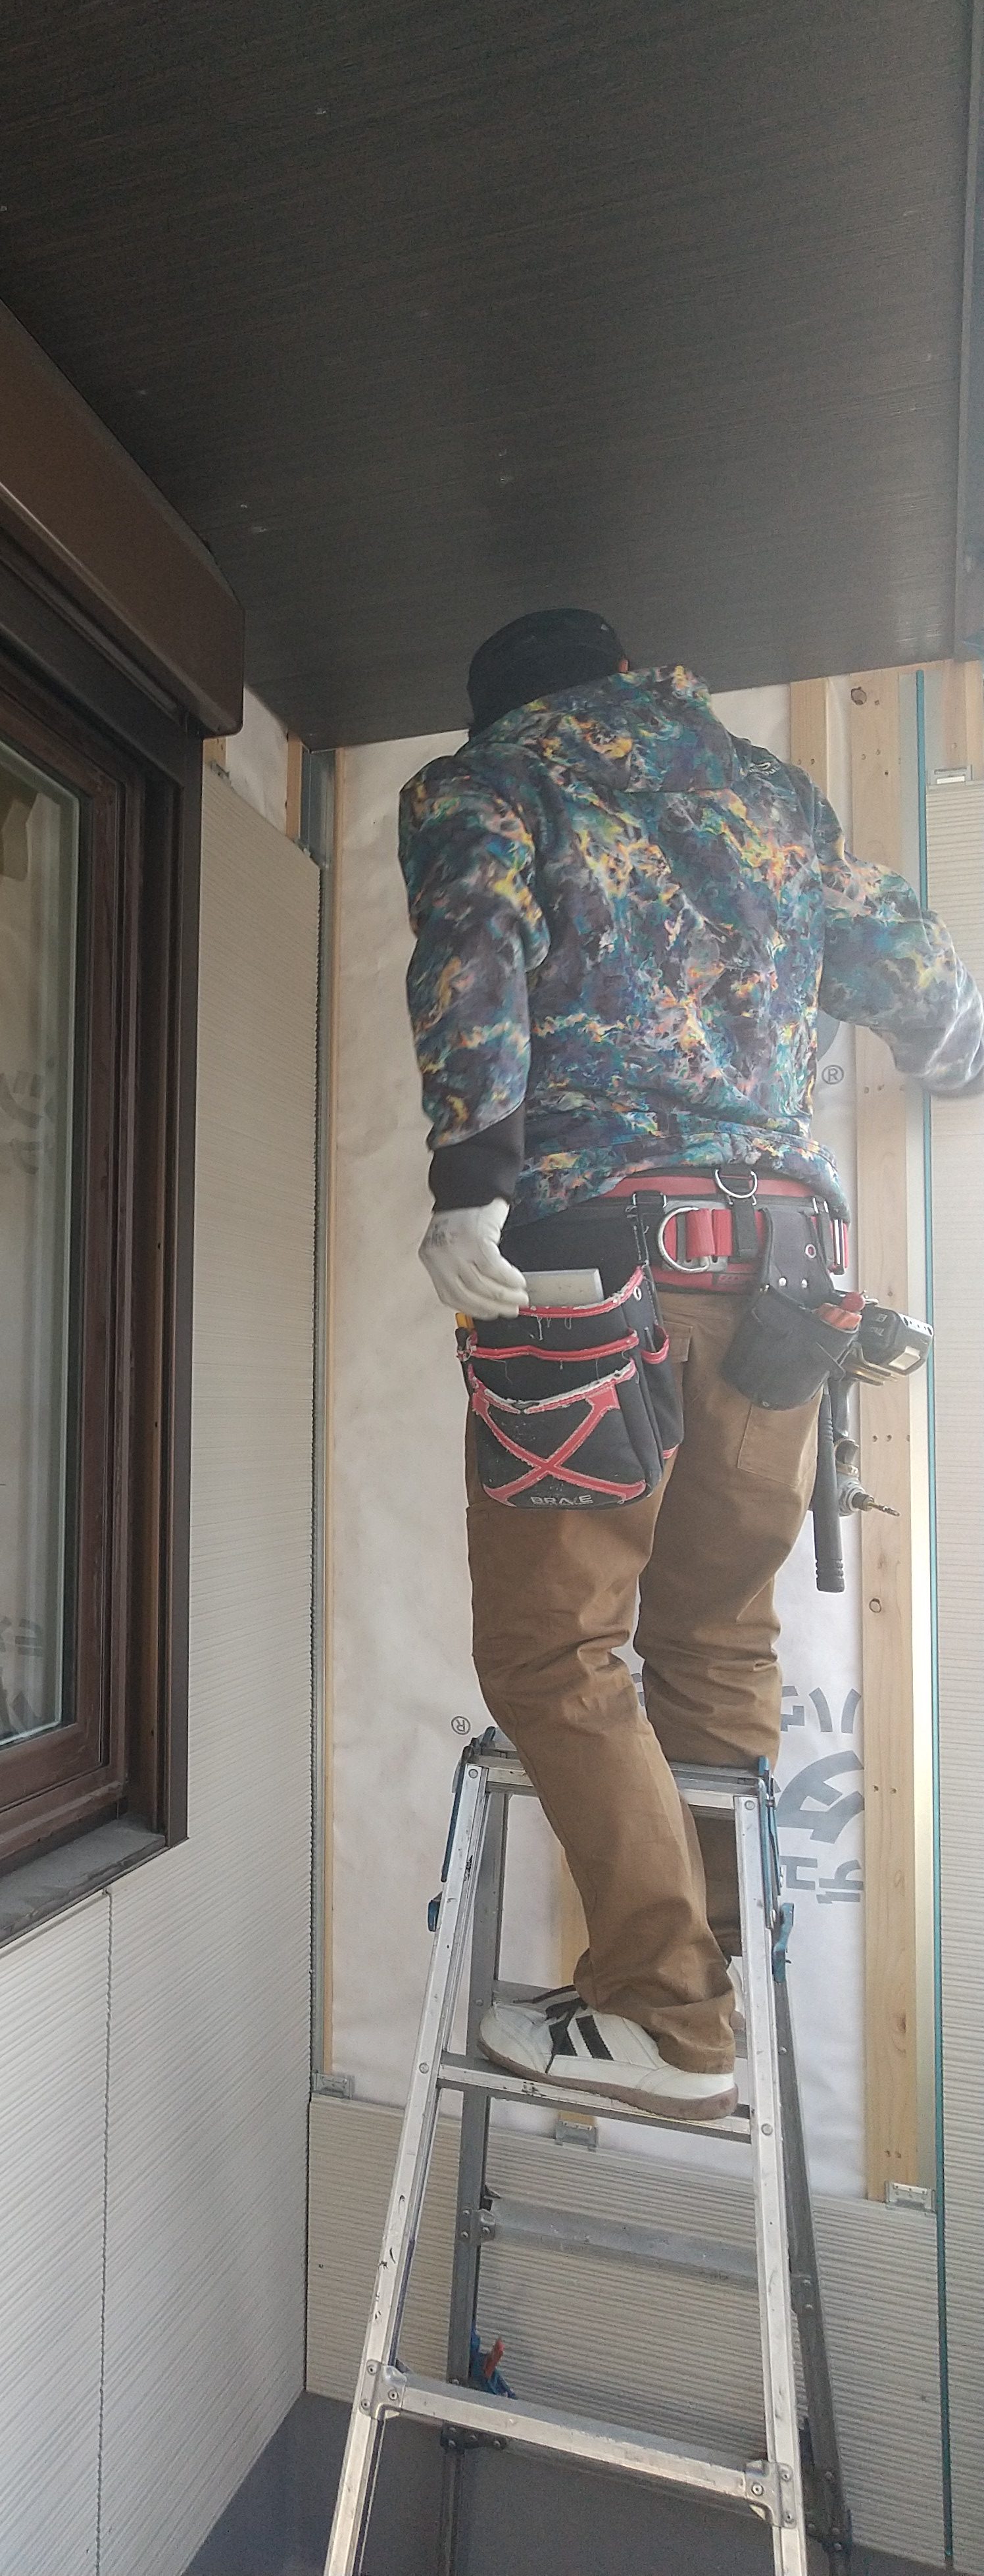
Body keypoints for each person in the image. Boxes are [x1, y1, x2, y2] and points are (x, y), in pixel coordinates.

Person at [399, 608, 984, 2119]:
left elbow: (474, 950)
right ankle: (705, 1991)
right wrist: (957, 1052)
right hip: (790, 1276)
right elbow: (915, 967)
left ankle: (668, 2012)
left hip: (599, 1273)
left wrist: (470, 1179)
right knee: (716, 1637)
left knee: (555, 1648)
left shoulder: (497, 778)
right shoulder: (771, 797)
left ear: (500, 708)